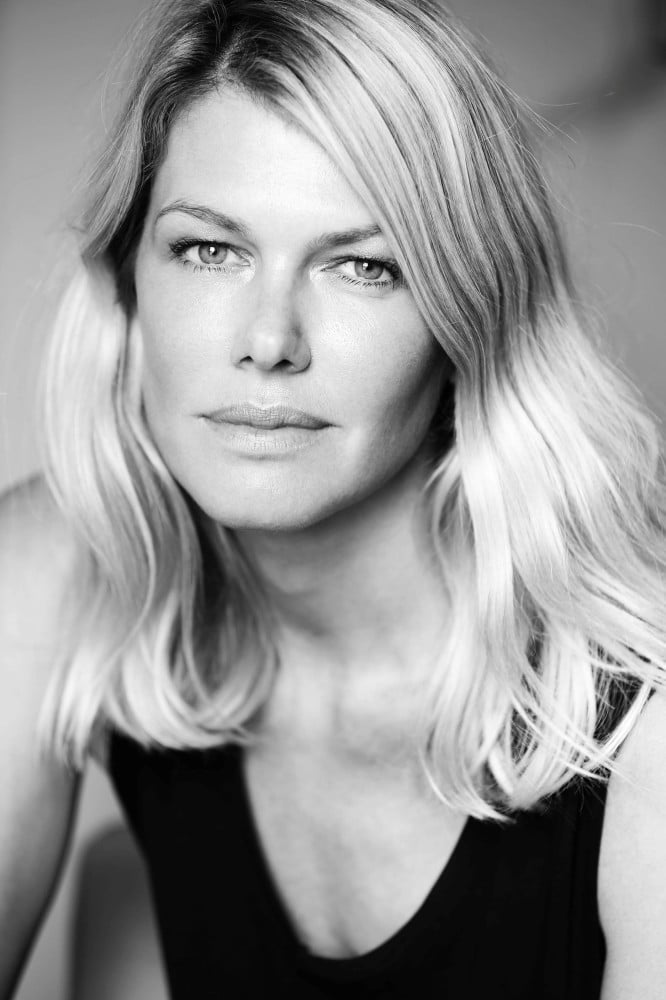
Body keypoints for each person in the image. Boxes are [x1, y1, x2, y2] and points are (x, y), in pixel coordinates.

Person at [2, 0, 666, 997]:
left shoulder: (647, 719)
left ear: (469, 315)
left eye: (363, 266)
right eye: (209, 250)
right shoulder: (66, 563)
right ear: (128, 285)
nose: (269, 340)